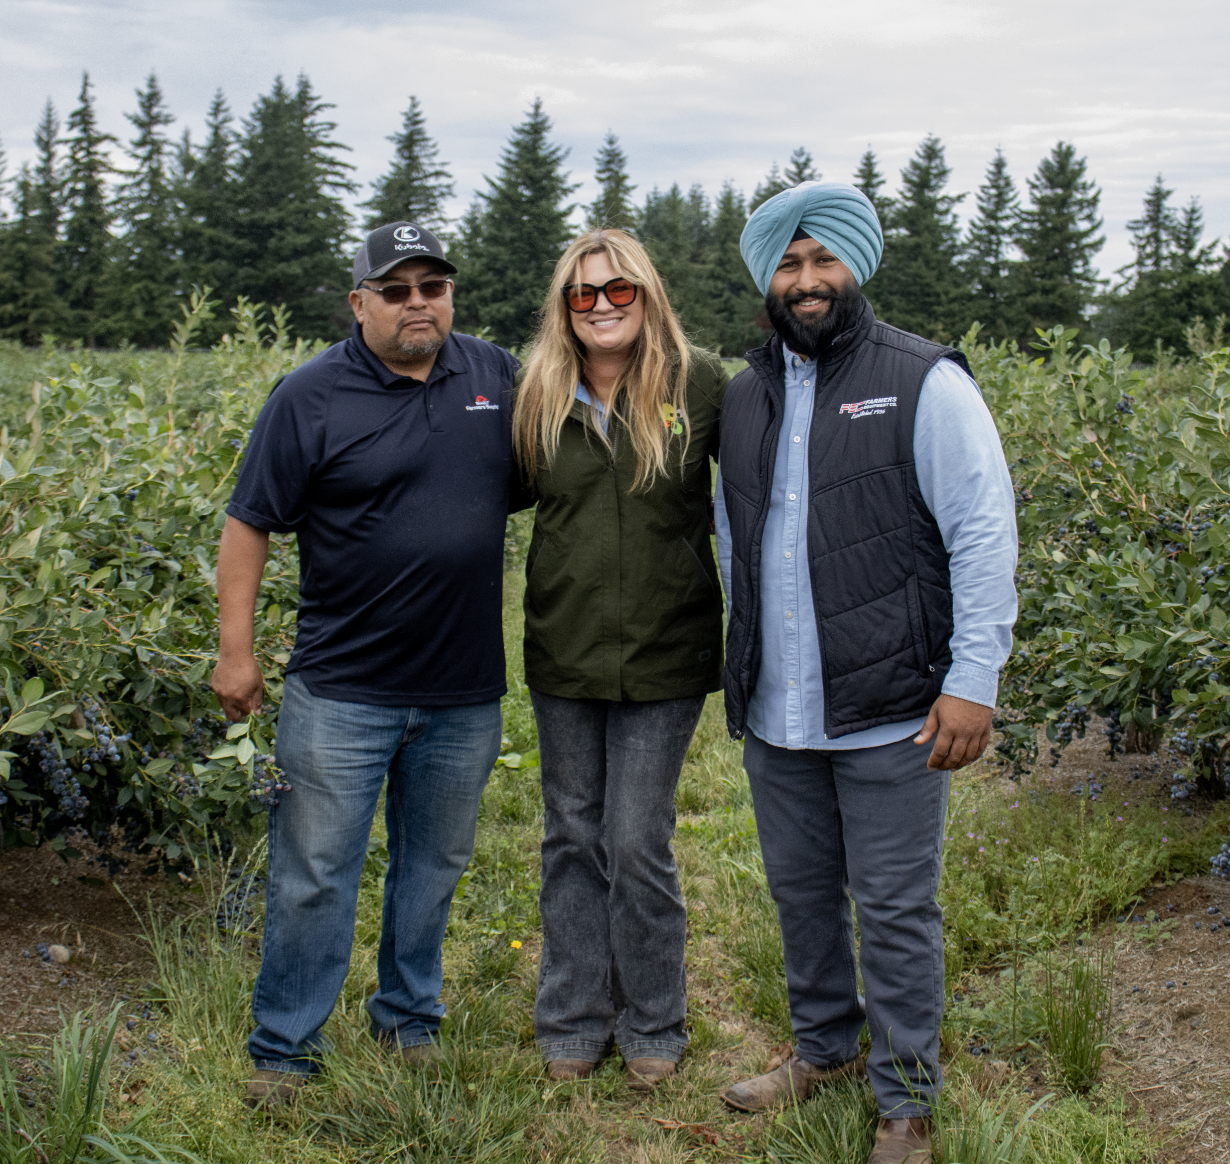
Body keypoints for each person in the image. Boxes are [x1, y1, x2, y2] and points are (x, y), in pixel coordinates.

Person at [714, 183, 1017, 1164]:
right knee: (800, 897)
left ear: (855, 266)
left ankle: (907, 1102)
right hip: (779, 710)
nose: (806, 282)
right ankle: (824, 1052)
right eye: (788, 265)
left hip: (891, 708)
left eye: (822, 261)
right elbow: (734, 538)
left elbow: (981, 531)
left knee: (893, 909)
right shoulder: (744, 394)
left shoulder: (923, 379)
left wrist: (974, 678)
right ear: (768, 279)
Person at [211, 222, 523, 1108]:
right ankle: (284, 1048)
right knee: (315, 873)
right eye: (397, 289)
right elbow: (249, 524)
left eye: (434, 285)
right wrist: (236, 655)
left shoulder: (495, 375)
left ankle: (407, 1019)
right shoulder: (309, 395)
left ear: (452, 296)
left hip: (463, 689)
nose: (418, 302)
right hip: (341, 687)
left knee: (433, 864)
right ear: (360, 303)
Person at [512, 229, 727, 1091]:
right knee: (572, 834)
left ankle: (654, 1019)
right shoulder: (538, 393)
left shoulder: (700, 383)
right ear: (564, 308)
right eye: (583, 294)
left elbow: (757, 490)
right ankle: (571, 1018)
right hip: (564, 648)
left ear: (648, 294)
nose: (602, 307)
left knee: (636, 838)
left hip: (666, 651)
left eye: (619, 291)